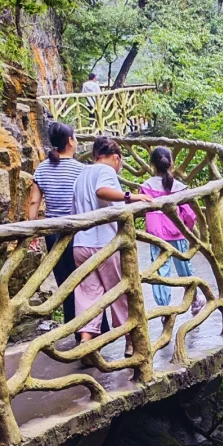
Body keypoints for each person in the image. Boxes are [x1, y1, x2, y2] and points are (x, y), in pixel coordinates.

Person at [70, 136, 133, 351]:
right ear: (116, 157)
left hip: (80, 244)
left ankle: (86, 343)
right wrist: (130, 196)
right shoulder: (105, 170)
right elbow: (102, 191)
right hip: (104, 243)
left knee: (88, 295)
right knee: (120, 292)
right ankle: (130, 341)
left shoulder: (80, 176)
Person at [27, 120, 84, 320]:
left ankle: (71, 322)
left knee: (64, 280)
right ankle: (87, 326)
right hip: (77, 231)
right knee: (83, 277)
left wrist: (33, 232)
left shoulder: (42, 169)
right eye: (75, 137)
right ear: (70, 141)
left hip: (52, 231)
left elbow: (34, 202)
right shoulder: (80, 169)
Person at [139, 147, 197, 311]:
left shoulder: (146, 187)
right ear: (171, 163)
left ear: (152, 165)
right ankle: (193, 299)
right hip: (177, 233)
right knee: (184, 266)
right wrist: (187, 230)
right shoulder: (179, 187)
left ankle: (163, 308)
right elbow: (190, 214)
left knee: (160, 270)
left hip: (156, 236)